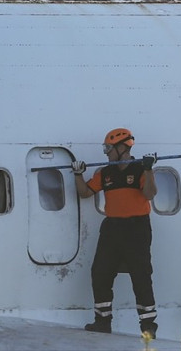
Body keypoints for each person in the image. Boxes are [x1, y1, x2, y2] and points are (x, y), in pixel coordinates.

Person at [71, 128, 159, 338]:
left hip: (137, 228)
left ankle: (148, 327)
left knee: (141, 275)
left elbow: (149, 194)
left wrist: (148, 170)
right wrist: (78, 174)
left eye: (108, 149)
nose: (106, 153)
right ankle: (102, 321)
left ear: (122, 148)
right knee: (100, 272)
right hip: (112, 228)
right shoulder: (105, 173)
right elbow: (85, 192)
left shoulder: (140, 169)